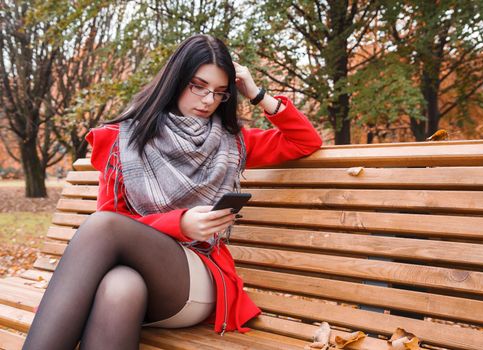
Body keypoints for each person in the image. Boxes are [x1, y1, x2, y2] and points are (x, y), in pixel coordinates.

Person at [23, 34, 322, 350]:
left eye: (219, 92)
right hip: (138, 280)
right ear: (176, 80)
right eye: (198, 85)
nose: (208, 100)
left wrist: (257, 93)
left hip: (196, 278)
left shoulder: (233, 141)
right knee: (119, 286)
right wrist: (178, 223)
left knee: (102, 226)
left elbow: (304, 141)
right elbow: (116, 218)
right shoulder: (124, 141)